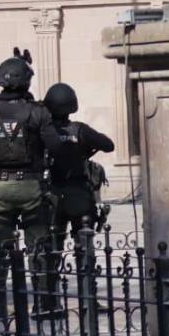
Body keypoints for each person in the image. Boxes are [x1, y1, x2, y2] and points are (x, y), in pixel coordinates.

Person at [0, 56, 63, 252]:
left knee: (3, 246)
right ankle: (40, 278)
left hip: (1, 187)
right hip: (31, 185)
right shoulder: (39, 112)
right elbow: (56, 148)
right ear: (26, 82)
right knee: (37, 245)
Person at [43, 83, 114, 253]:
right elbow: (108, 145)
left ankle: (52, 276)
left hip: (53, 193)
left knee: (53, 244)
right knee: (83, 243)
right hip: (79, 192)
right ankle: (86, 273)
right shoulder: (79, 129)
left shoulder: (45, 132)